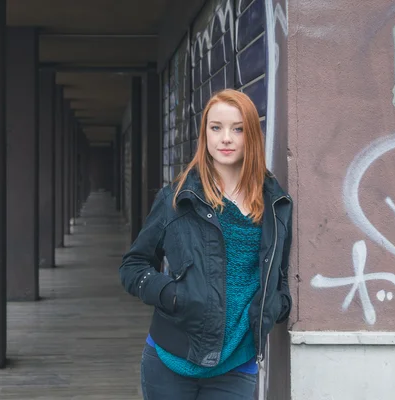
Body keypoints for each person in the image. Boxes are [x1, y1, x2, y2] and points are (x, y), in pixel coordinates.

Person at [119, 89, 293, 400]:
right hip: (170, 362)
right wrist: (172, 295)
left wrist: (276, 307)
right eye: (216, 128)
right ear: (205, 134)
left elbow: (278, 275)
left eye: (237, 129)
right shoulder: (177, 199)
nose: (225, 138)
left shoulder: (275, 203)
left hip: (237, 365)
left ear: (251, 134)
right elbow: (133, 266)